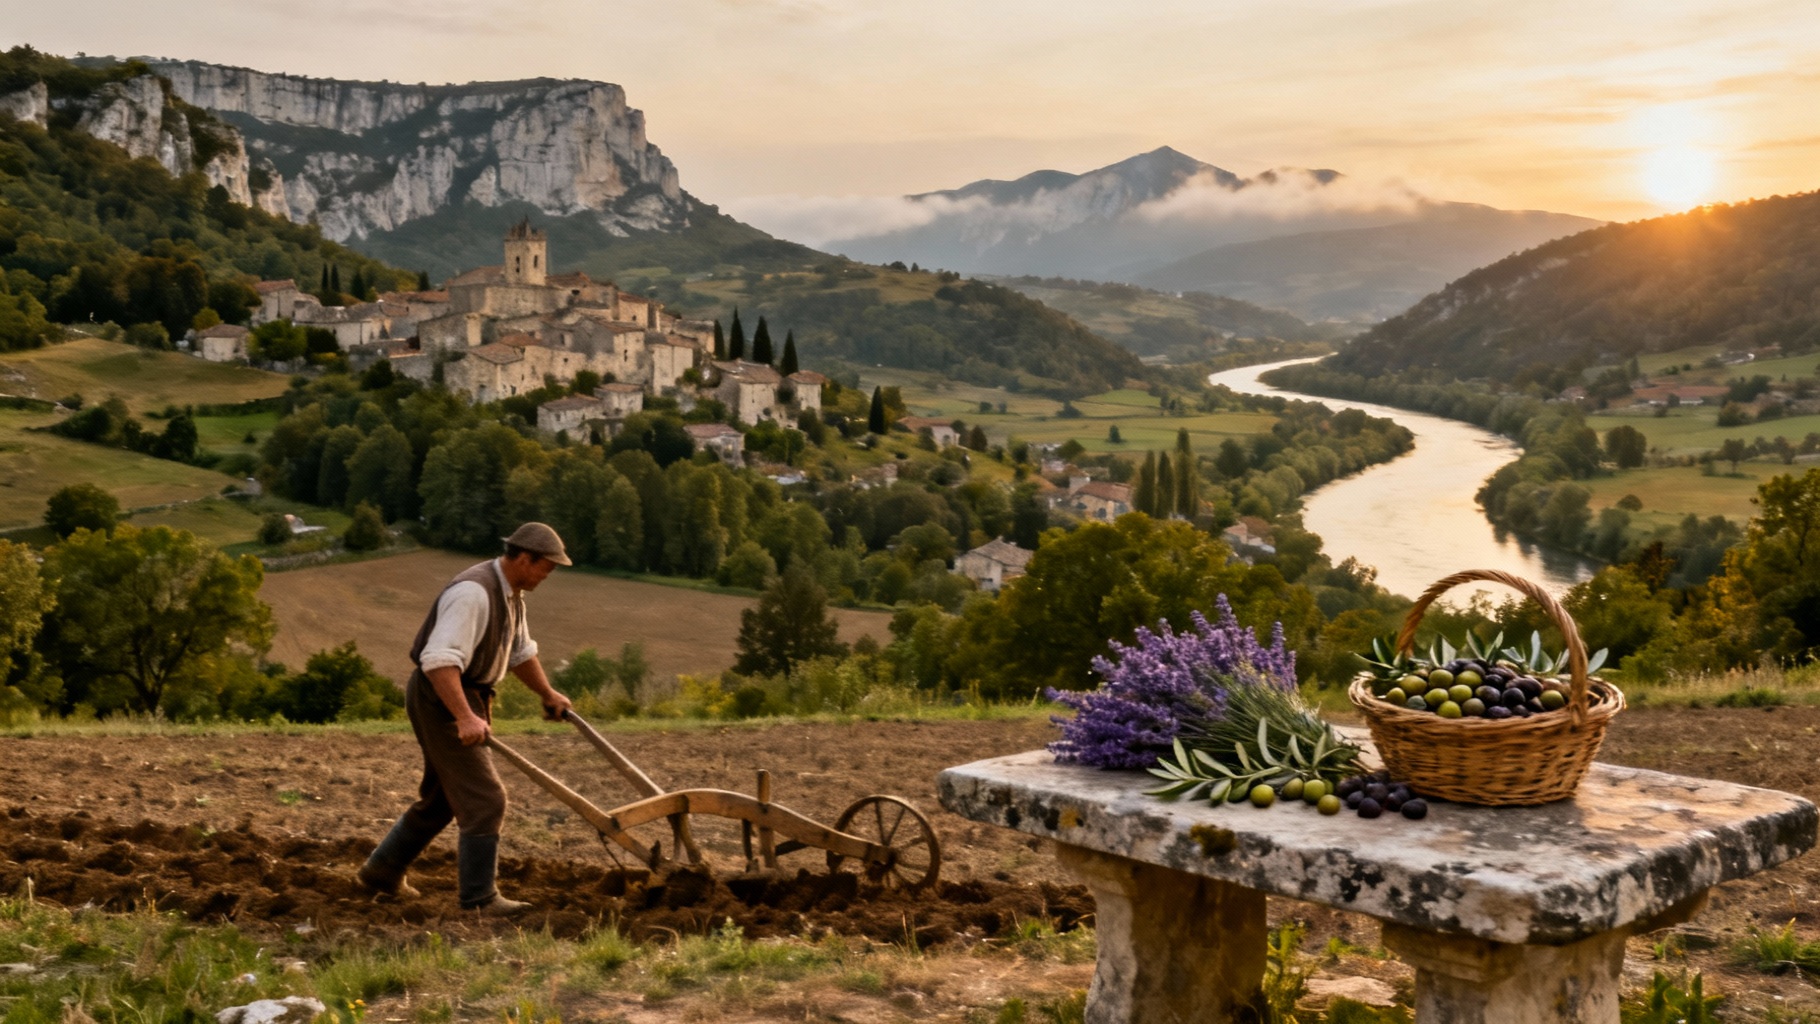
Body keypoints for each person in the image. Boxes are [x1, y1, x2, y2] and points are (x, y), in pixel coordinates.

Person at [357, 522, 575, 914]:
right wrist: (464, 717)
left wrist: (548, 694)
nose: (548, 575)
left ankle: (382, 870)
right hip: (441, 697)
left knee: (444, 799)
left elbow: (520, 652)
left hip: (465, 696)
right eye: (547, 567)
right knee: (486, 799)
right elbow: (439, 661)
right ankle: (479, 899)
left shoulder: (511, 595)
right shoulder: (474, 593)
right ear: (525, 558)